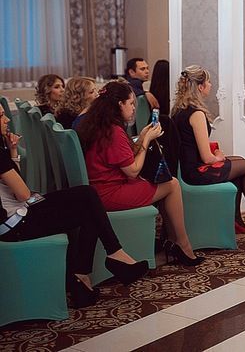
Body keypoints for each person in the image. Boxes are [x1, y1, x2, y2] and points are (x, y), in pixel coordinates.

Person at [0, 111, 148, 308]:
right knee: (89, 205)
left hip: (17, 215)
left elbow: (14, 188)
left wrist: (12, 150)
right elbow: (23, 194)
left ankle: (89, 273)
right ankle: (104, 261)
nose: (7, 119)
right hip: (16, 224)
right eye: (1, 115)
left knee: (88, 196)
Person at [77, 81, 203, 266]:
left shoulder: (97, 125)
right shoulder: (113, 131)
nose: (134, 108)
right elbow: (132, 171)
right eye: (131, 103)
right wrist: (146, 141)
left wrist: (143, 136)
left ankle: (173, 242)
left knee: (165, 184)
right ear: (119, 104)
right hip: (110, 193)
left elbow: (123, 157)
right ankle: (183, 245)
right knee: (172, 184)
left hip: (99, 188)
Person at [171, 66, 245, 234]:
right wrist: (219, 156)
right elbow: (207, 158)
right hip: (195, 172)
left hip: (185, 168)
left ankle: (237, 220)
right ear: (200, 87)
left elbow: (190, 145)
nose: (211, 85)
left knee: (239, 162)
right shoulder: (196, 114)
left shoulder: (178, 110)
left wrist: (217, 156)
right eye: (209, 82)